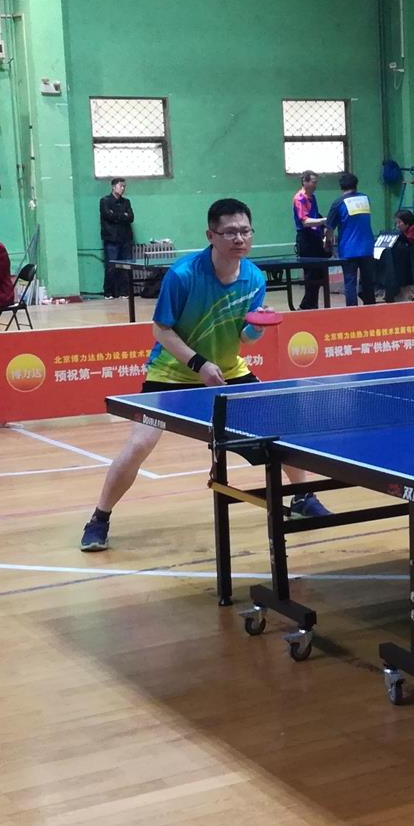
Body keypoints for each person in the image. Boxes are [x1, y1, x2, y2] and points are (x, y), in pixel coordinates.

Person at [79, 198, 330, 553]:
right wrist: (198, 364)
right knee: (139, 444)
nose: (239, 238)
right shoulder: (183, 275)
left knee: (278, 429)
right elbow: (161, 329)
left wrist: (257, 327)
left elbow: (244, 337)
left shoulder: (254, 277)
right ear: (210, 235)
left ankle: (302, 496)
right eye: (229, 232)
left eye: (245, 231)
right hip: (171, 372)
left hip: (228, 370)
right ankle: (99, 518)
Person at [324, 172, 376, 306]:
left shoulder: (338, 203)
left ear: (341, 186)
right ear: (356, 184)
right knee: (368, 282)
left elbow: (329, 228)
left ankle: (352, 312)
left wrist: (327, 243)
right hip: (367, 247)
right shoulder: (365, 199)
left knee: (350, 283)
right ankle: (371, 309)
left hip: (348, 249)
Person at [292, 170, 331, 310]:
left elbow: (315, 215)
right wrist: (325, 220)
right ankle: (307, 306)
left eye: (316, 182)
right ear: (305, 182)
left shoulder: (312, 198)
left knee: (319, 273)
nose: (315, 185)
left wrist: (324, 228)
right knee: (311, 274)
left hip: (315, 238)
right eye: (313, 182)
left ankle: (310, 304)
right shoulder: (299, 198)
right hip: (306, 239)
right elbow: (305, 221)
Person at [100, 178, 135, 298]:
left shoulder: (126, 202)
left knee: (126, 267)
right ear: (113, 187)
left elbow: (130, 217)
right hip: (111, 239)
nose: (123, 189)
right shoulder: (105, 201)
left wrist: (116, 215)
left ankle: (125, 292)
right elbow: (108, 215)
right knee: (111, 267)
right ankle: (108, 293)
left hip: (125, 239)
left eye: (124, 186)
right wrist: (122, 215)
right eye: (121, 186)